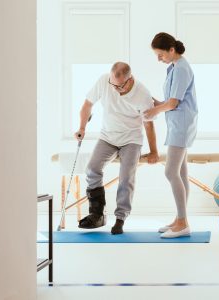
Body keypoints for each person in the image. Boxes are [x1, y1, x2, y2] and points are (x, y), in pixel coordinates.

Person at [76, 62, 159, 234]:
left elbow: (149, 125)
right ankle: (97, 214)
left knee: (126, 176)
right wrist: (82, 127)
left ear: (129, 80)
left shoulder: (142, 94)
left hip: (131, 140)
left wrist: (154, 151)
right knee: (92, 169)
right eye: (113, 85)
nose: (115, 89)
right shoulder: (104, 82)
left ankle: (120, 217)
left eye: (119, 86)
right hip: (107, 137)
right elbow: (87, 105)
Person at [144, 32, 198, 238]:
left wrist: (154, 111)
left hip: (181, 125)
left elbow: (174, 103)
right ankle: (179, 219)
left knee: (170, 172)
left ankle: (183, 223)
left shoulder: (182, 68)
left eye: (160, 54)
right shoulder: (174, 67)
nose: (159, 58)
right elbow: (170, 100)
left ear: (171, 50)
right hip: (178, 123)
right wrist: (155, 103)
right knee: (181, 173)